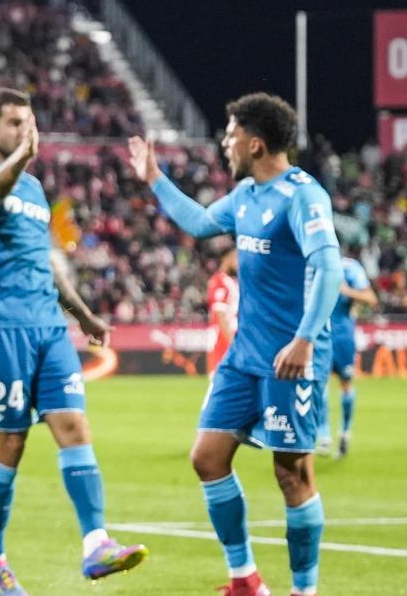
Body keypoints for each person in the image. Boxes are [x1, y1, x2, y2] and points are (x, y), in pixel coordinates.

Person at [127, 92, 342, 596]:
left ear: (256, 142)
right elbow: (201, 224)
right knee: (207, 456)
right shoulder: (246, 196)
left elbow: (328, 266)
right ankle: (245, 578)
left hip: (291, 360)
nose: (225, 143)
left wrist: (305, 340)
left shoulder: (302, 196)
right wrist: (155, 179)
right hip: (245, 358)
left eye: (230, 135)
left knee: (291, 475)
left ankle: (303, 591)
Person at [0, 88, 148, 595]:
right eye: (15, 123)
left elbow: (44, 262)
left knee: (74, 425)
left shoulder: (36, 189)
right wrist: (20, 158)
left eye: (28, 123)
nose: (25, 132)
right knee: (11, 443)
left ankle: (96, 545)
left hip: (48, 326)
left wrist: (83, 315)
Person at [316, 251, 376, 457]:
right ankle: (323, 436)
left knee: (346, 383)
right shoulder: (313, 263)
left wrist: (346, 291)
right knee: (319, 383)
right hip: (318, 335)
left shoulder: (349, 268)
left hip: (343, 337)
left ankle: (345, 432)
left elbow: (370, 298)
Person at [207, 249, 240, 376]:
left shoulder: (232, 281)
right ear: (226, 259)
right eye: (235, 258)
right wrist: (233, 342)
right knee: (219, 380)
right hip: (223, 338)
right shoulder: (219, 281)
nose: (238, 262)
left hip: (234, 335)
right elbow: (220, 314)